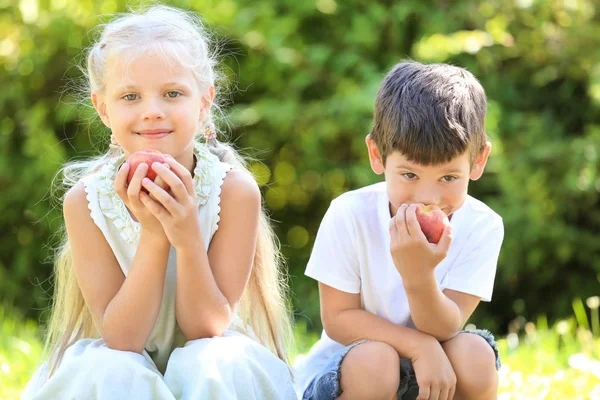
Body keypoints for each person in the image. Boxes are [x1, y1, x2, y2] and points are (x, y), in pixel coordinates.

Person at [22, 5, 296, 400]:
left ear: (204, 102)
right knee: (112, 370)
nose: (152, 112)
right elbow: (121, 338)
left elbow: (206, 328)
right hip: (124, 356)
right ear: (103, 109)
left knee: (208, 362)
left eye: (172, 93)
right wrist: (153, 234)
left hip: (212, 356)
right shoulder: (85, 202)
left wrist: (185, 237)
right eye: (130, 96)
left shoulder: (234, 192)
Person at [294, 61, 504, 400]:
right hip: (354, 371)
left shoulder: (483, 225)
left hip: (432, 370)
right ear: (377, 155)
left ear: (478, 162)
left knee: (475, 356)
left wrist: (418, 274)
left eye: (449, 178)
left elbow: (445, 328)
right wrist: (418, 346)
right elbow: (338, 318)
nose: (428, 199)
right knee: (378, 362)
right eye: (409, 175)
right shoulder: (349, 214)